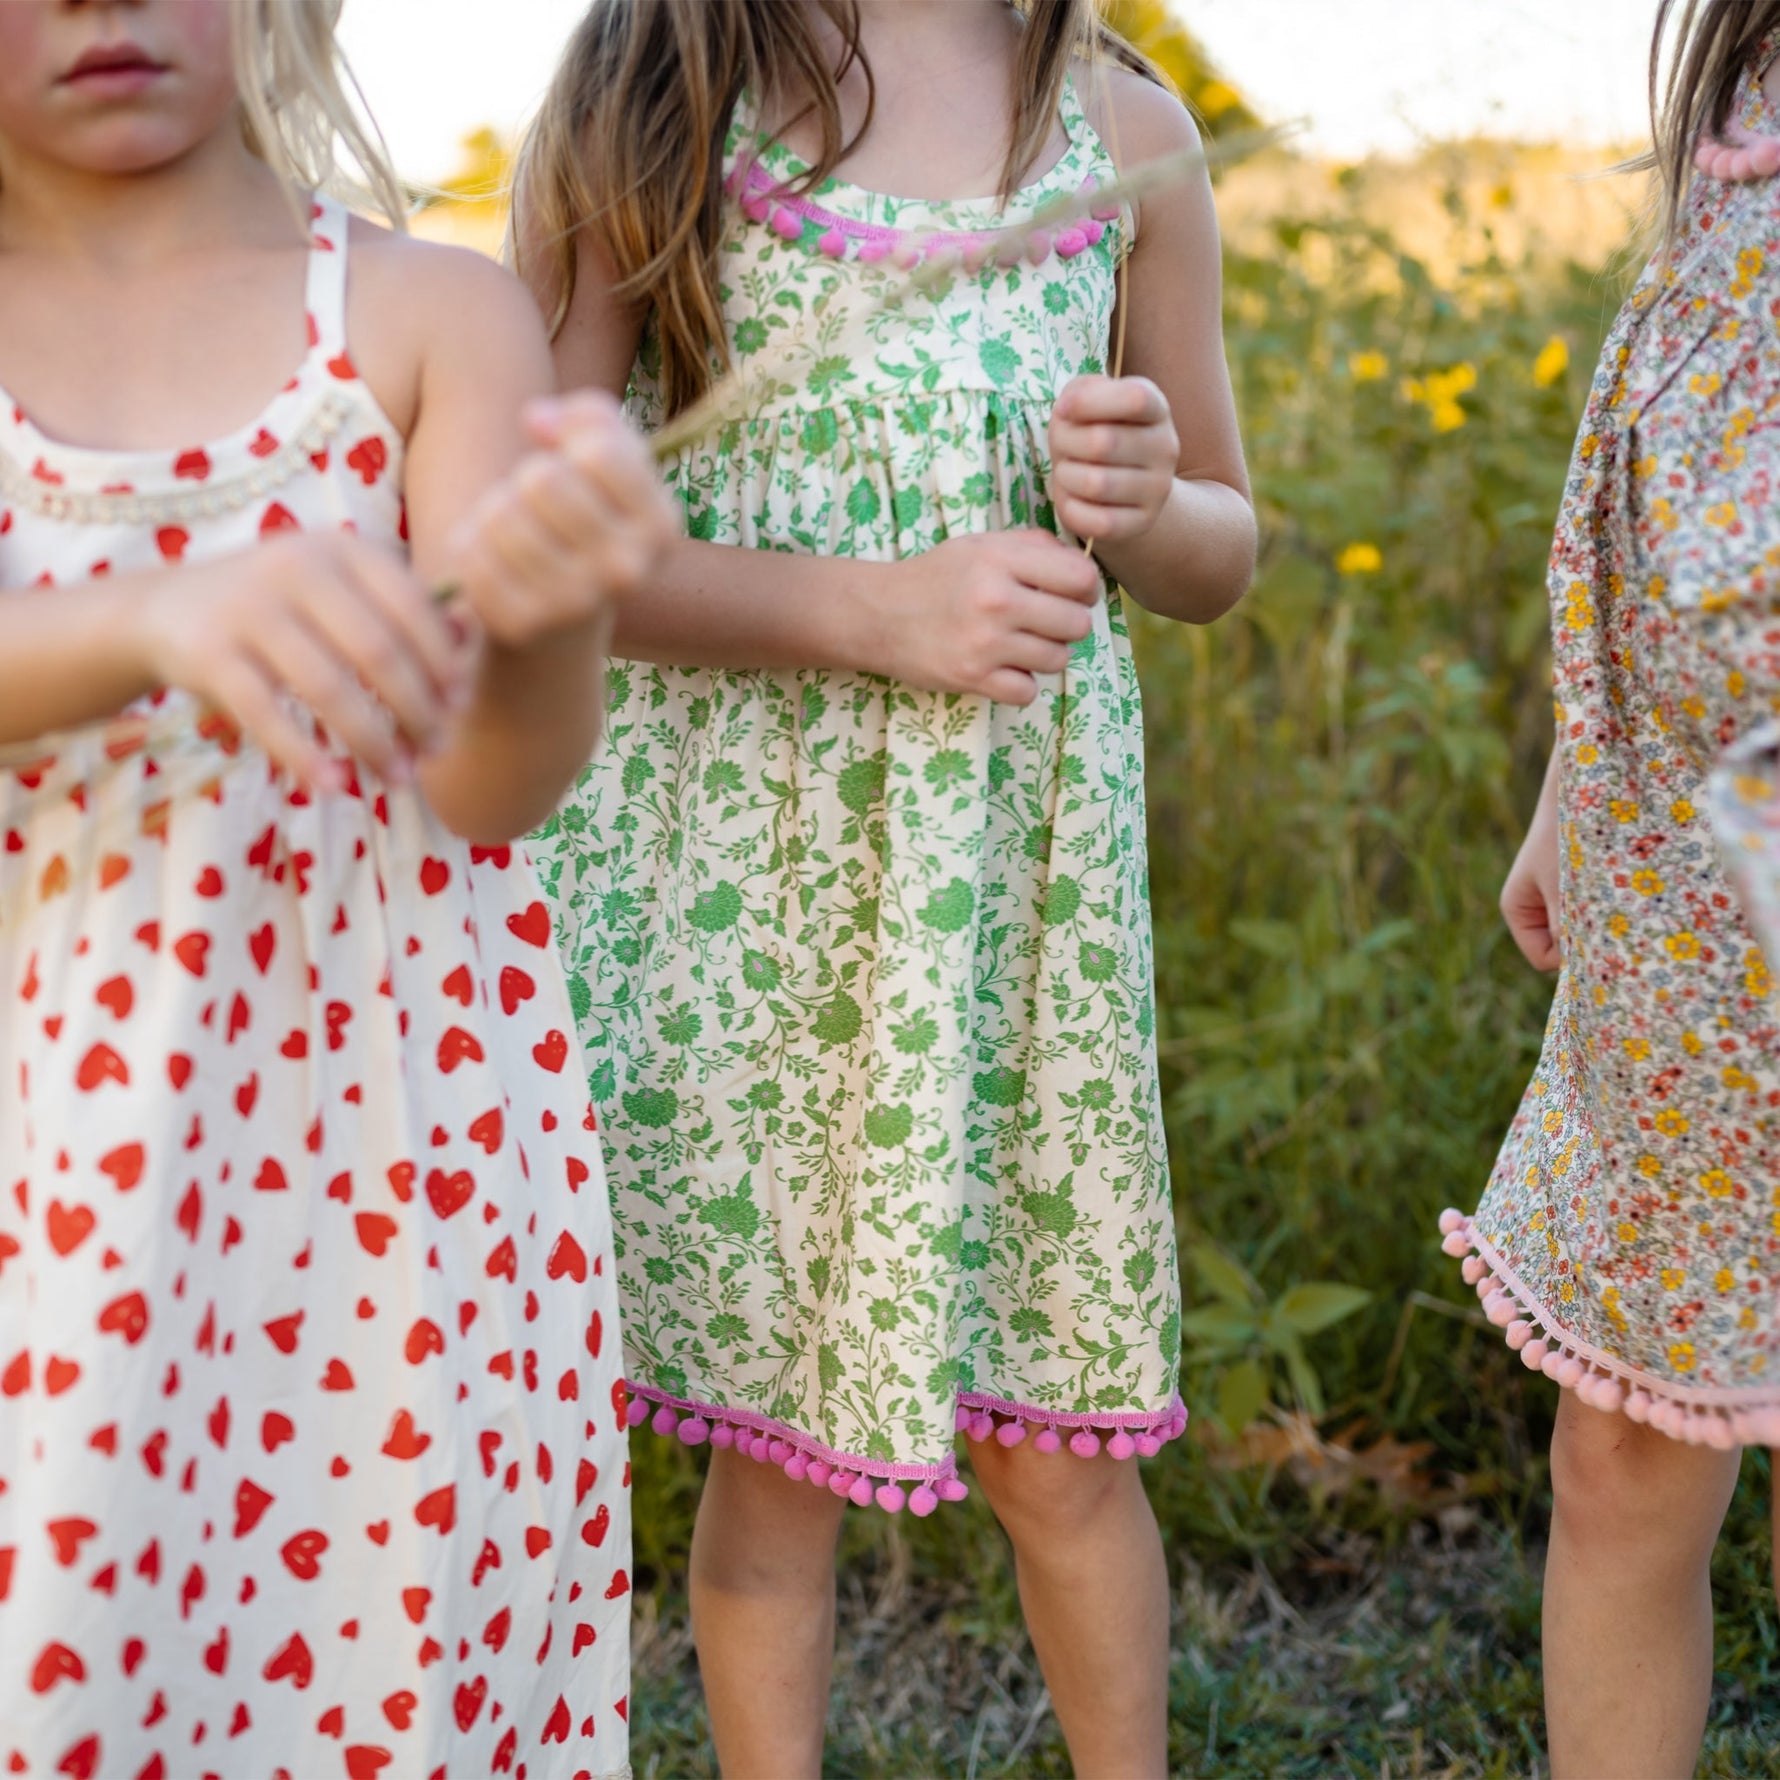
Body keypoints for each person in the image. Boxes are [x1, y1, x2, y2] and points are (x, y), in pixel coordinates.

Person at [517, 1, 1255, 1773]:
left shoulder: (1122, 128)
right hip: (731, 908)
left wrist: (1150, 506)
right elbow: (520, 540)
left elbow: (1224, 541)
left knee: (1057, 1443)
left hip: (1007, 921)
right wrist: (861, 611)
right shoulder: (658, 85)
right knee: (769, 1457)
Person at [0, 1, 674, 1773]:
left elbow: (497, 780)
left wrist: (549, 610)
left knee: (363, 1628)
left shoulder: (426, 316)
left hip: (375, 1159)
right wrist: (148, 618)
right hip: (41, 1156)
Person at [1441, 4, 1780, 1773]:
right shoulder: (1743, 82)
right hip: (1692, 901)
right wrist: (1581, 784)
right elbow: (1670, 477)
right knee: (1630, 1448)